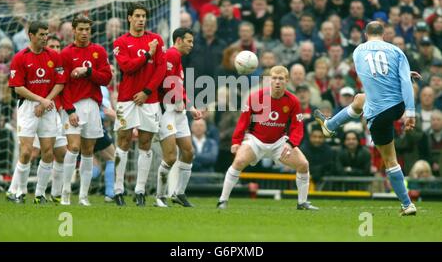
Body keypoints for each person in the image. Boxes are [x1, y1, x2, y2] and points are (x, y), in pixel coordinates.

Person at [315, 22, 417, 216]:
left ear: (365, 34)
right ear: (384, 33)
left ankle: (407, 204)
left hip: (379, 113)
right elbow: (404, 81)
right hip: (397, 107)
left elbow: (372, 75)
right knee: (360, 99)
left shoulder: (358, 52)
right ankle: (330, 125)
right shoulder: (396, 51)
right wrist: (410, 112)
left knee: (390, 160)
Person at [216, 66, 318, 211]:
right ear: (269, 80)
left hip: (279, 143)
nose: (277, 81)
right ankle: (222, 200)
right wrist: (236, 142)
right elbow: (243, 121)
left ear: (287, 81)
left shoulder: (293, 101)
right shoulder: (256, 96)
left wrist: (290, 143)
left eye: (281, 78)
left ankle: (302, 203)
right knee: (238, 161)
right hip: (255, 140)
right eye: (274, 78)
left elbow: (297, 126)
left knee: (303, 165)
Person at [112, 3, 166, 207]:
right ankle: (118, 190)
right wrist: (146, 55)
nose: (141, 19)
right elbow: (127, 67)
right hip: (126, 99)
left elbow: (161, 70)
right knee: (123, 141)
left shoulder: (156, 40)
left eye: (143, 16)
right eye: (137, 15)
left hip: (149, 100)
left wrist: (147, 92)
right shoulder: (120, 42)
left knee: (145, 143)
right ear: (129, 18)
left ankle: (140, 191)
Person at [7, 21, 66, 204]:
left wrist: (46, 100)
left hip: (48, 109)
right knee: (25, 152)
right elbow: (17, 88)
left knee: (48, 152)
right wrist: (40, 100)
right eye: (41, 34)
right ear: (31, 35)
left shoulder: (54, 57)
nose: (44, 37)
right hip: (28, 108)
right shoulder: (20, 57)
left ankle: (40, 194)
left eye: (46, 34)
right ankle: (20, 192)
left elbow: (60, 82)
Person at [60, 15, 112, 206]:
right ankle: (65, 193)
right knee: (74, 147)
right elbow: (62, 85)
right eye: (80, 29)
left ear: (91, 31)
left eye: (87, 29)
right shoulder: (65, 54)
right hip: (73, 106)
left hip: (92, 106)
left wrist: (87, 72)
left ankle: (83, 196)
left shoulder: (98, 51)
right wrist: (69, 110)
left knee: (88, 151)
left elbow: (106, 78)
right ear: (73, 30)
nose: (84, 33)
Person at [154, 27, 202, 207]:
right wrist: (187, 105)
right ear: (179, 40)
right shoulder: (171, 55)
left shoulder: (178, 59)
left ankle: (179, 193)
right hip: (166, 109)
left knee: (188, 151)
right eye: (189, 41)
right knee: (171, 156)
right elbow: (166, 84)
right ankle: (159, 196)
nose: (192, 45)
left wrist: (191, 106)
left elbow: (178, 86)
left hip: (178, 111)